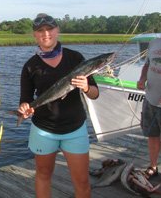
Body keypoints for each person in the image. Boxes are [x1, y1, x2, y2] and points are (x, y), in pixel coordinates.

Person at [17, 13, 99, 198]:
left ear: (57, 31)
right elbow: (25, 99)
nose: (46, 34)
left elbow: (95, 93)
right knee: (43, 175)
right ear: (35, 35)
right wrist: (24, 108)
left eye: (49, 29)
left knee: (82, 181)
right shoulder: (30, 66)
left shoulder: (75, 58)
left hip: (74, 129)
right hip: (43, 130)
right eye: (40, 31)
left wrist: (86, 87)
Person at [137, 37, 161, 179]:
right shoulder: (154, 43)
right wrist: (142, 79)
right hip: (150, 98)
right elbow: (147, 65)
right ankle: (153, 166)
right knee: (152, 134)